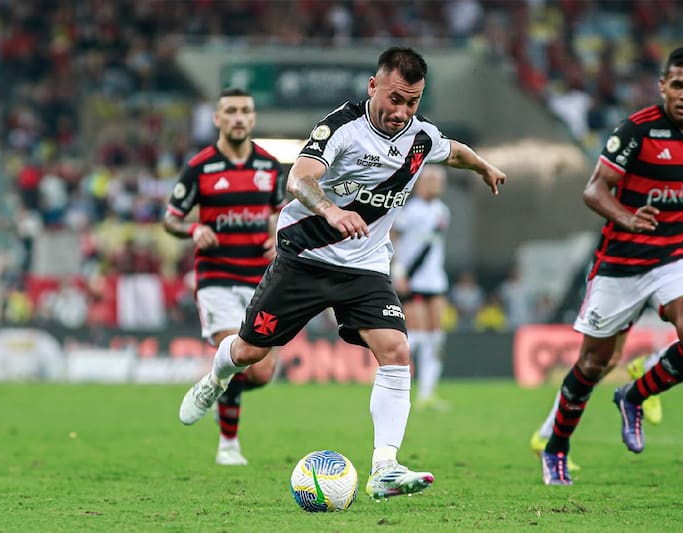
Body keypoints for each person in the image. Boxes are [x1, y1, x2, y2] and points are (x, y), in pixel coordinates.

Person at [178, 47, 506, 498]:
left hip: (365, 268)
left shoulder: (420, 136)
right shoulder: (341, 127)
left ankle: (385, 467)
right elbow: (299, 179)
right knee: (250, 353)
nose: (401, 111)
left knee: (395, 351)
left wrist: (484, 165)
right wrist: (331, 210)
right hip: (306, 257)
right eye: (395, 99)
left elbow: (454, 152)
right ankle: (215, 378)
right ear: (374, 86)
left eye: (412, 102)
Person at [539, 47, 683, 485]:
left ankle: (634, 396)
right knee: (592, 364)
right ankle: (556, 446)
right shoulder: (636, 129)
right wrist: (629, 217)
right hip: (621, 262)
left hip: (676, 255)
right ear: (663, 86)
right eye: (677, 84)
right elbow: (594, 191)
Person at [530, 151, 683, 471]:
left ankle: (649, 365)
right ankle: (547, 435)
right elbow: (650, 180)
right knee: (602, 360)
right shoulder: (645, 141)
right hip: (630, 261)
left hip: (678, 257)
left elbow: (682, 195)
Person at [164, 88, 286, 466]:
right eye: (230, 111)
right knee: (237, 351)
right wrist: (192, 231)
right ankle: (228, 446)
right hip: (216, 276)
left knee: (262, 371)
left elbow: (282, 214)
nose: (238, 117)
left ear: (252, 119)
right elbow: (170, 218)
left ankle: (212, 381)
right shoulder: (200, 167)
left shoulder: (269, 166)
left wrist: (277, 237)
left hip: (261, 279)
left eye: (245, 111)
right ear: (217, 119)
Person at [391, 164, 450, 410]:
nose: (435, 184)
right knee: (415, 335)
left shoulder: (443, 211)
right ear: (419, 182)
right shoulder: (408, 211)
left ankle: (427, 394)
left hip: (435, 281)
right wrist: (398, 272)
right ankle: (394, 385)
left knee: (436, 338)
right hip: (411, 280)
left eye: (439, 180)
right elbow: (393, 236)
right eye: (430, 179)